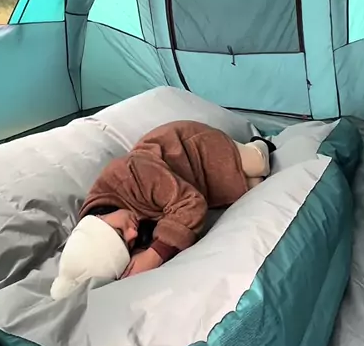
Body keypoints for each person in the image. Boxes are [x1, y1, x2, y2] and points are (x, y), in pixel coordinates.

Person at [50, 121, 275, 299]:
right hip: (193, 184)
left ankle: (259, 144)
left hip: (193, 149)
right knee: (256, 186)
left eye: (120, 231)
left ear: (99, 218)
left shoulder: (130, 174)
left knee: (259, 165)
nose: (133, 233)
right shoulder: (112, 230)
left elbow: (191, 204)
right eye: (127, 244)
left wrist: (155, 254)